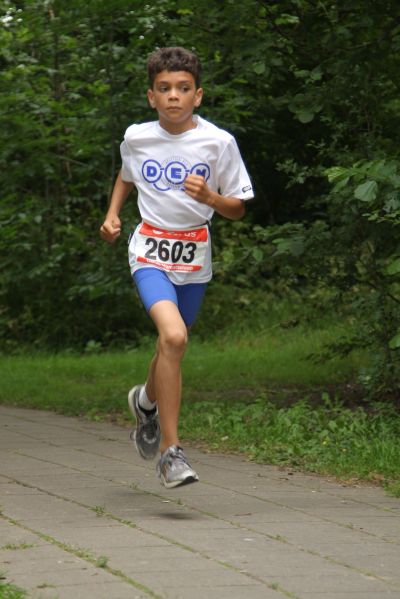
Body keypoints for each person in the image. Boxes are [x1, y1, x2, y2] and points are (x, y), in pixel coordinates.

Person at [100, 46, 254, 488]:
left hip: (194, 256)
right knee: (173, 336)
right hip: (149, 250)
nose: (173, 96)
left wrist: (210, 197)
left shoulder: (218, 143)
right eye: (164, 88)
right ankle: (171, 453)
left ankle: (145, 402)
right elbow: (126, 175)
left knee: (172, 346)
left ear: (197, 95)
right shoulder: (137, 137)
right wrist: (113, 214)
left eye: (183, 88)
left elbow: (238, 209)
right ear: (151, 97)